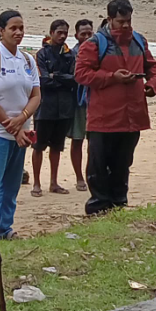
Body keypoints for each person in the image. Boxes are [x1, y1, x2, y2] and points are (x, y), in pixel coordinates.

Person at [74, 0, 156, 215]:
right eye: (121, 21)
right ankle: (99, 206)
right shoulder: (93, 44)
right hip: (103, 118)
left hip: (133, 116)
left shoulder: (139, 41)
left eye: (128, 21)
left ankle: (119, 204)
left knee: (123, 164)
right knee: (98, 165)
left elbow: (152, 67)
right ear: (110, 19)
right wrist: (113, 77)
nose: (125, 26)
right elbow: (81, 74)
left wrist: (152, 85)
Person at [0, 10, 40, 242]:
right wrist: (13, 127)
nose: (18, 32)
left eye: (21, 28)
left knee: (11, 186)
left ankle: (4, 228)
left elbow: (35, 95)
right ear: (1, 31)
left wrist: (22, 119)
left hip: (21, 132)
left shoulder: (27, 60)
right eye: (13, 28)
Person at [31, 20, 77, 197]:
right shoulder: (42, 54)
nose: (62, 35)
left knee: (57, 146)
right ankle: (36, 183)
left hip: (64, 107)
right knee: (38, 146)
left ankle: (54, 182)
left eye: (65, 32)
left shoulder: (69, 55)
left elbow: (74, 79)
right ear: (51, 33)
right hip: (45, 106)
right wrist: (60, 79)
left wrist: (55, 76)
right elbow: (42, 80)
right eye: (59, 32)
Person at [68, 19, 95, 192]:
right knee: (77, 140)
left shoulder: (98, 52)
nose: (86, 36)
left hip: (96, 102)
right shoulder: (71, 55)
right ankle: (79, 177)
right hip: (78, 103)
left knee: (95, 142)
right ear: (76, 35)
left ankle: (93, 175)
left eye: (89, 33)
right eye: (82, 33)